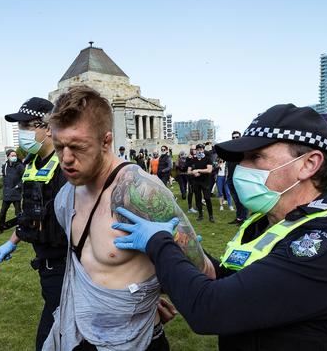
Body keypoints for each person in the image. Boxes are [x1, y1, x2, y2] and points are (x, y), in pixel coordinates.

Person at [112, 104, 327, 351]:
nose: (241, 168)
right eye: (241, 158)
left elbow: (211, 309)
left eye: (256, 157)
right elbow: (239, 282)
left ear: (308, 164)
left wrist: (160, 245)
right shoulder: (266, 224)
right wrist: (188, 252)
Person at [41, 85, 211, 351]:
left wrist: (146, 294)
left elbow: (204, 274)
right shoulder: (66, 196)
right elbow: (88, 267)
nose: (66, 159)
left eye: (77, 147)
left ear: (106, 141)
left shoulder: (142, 192)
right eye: (60, 146)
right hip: (81, 335)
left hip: (136, 342)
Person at [0, 97, 68, 350]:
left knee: (49, 341)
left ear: (47, 128)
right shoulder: (31, 165)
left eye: (28, 126)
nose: (22, 132)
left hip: (66, 266)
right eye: (20, 127)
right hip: (46, 266)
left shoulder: (66, 166)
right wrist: (11, 243)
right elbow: (32, 214)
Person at [0, 149, 24, 234]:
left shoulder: (20, 166)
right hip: (7, 194)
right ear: (8, 157)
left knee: (18, 213)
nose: (14, 157)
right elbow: (5, 178)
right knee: (2, 212)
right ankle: (1, 228)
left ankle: (21, 228)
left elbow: (24, 178)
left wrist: (19, 186)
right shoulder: (4, 166)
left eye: (15, 155)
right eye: (12, 155)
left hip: (16, 193)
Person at [188, 143, 214, 222]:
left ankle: (211, 216)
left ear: (203, 150)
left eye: (201, 149)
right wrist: (193, 172)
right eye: (198, 149)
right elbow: (188, 171)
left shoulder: (207, 159)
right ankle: (200, 215)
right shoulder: (193, 160)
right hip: (196, 182)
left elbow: (209, 170)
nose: (199, 151)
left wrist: (198, 170)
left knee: (207, 198)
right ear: (196, 150)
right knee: (198, 198)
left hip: (205, 182)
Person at [226, 131, 247, 225]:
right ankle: (239, 218)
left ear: (240, 137)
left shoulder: (244, 150)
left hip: (240, 178)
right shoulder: (230, 150)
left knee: (242, 200)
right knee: (236, 200)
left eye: (237, 137)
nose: (235, 139)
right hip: (230, 179)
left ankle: (244, 219)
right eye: (233, 137)